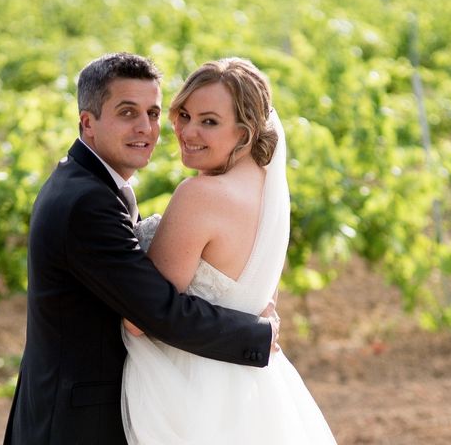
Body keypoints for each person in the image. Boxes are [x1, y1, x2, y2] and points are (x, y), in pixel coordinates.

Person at [3, 52, 280, 445]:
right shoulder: (86, 202)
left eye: (152, 113)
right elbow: (156, 311)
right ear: (88, 122)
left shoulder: (91, 183)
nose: (146, 128)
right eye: (127, 113)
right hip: (72, 425)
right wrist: (256, 333)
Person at [121, 58, 337, 444]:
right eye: (184, 115)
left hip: (186, 388)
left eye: (209, 121)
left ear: (246, 131)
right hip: (256, 388)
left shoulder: (200, 195)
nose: (188, 131)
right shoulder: (270, 195)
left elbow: (142, 317)